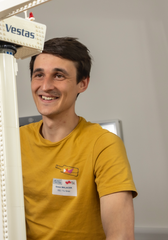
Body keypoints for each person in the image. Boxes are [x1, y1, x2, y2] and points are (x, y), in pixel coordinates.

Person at [20, 37, 138, 239]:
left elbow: (121, 236)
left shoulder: (104, 144)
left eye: (58, 76)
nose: (46, 86)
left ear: (82, 83)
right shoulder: (15, 140)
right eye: (39, 75)